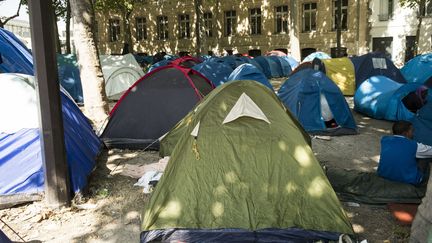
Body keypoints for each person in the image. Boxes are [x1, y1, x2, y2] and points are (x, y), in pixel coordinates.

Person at [377, 120, 432, 185]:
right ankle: (419, 178)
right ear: (406, 133)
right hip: (409, 180)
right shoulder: (415, 145)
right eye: (412, 131)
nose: (413, 134)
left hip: (383, 173)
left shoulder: (385, 139)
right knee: (425, 157)